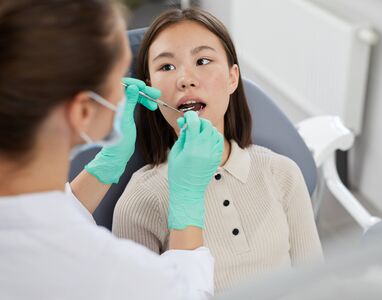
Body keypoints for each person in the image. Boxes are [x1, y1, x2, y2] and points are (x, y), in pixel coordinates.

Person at [0, 1, 224, 299]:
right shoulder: (110, 274)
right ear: (83, 112)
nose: (185, 79)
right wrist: (187, 207)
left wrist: (104, 167)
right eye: (116, 79)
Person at [112, 8, 323, 293]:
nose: (185, 79)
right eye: (166, 67)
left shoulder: (281, 172)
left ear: (233, 77)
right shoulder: (140, 200)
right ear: (150, 90)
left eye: (203, 60)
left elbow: (318, 284)